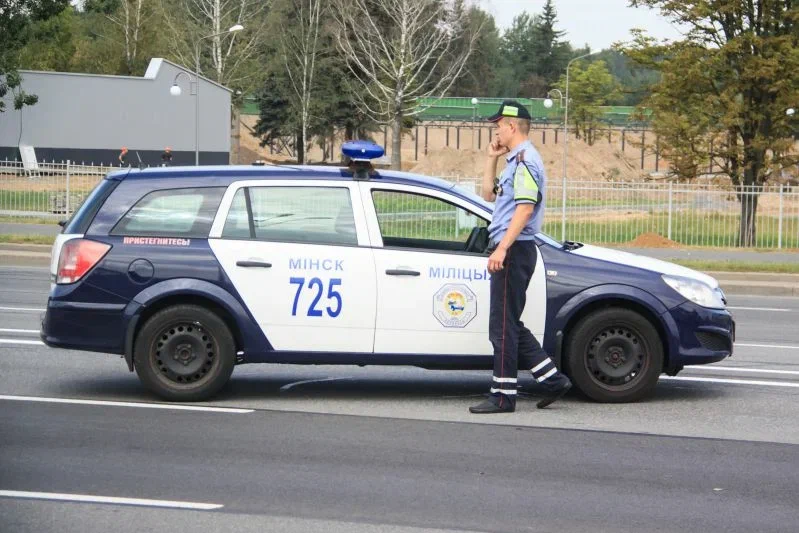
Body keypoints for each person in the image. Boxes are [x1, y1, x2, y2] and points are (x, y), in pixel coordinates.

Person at [469, 100, 572, 414]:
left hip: (514, 249)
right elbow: (488, 195)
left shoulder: (526, 161)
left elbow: (525, 209)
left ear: (511, 126)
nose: (496, 130)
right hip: (513, 248)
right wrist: (491, 160)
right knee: (507, 323)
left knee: (501, 327)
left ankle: (503, 396)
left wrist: (502, 248)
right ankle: (552, 379)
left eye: (498, 125)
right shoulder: (513, 160)